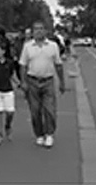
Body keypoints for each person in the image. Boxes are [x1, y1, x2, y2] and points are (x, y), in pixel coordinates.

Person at [18, 20, 66, 148]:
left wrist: (62, 82)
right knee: (35, 110)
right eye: (36, 29)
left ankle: (49, 134)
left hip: (48, 81)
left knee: (49, 109)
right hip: (32, 81)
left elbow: (58, 65)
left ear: (46, 31)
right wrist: (23, 82)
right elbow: (22, 65)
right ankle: (39, 134)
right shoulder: (27, 46)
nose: (38, 31)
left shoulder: (53, 46)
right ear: (32, 32)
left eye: (41, 29)